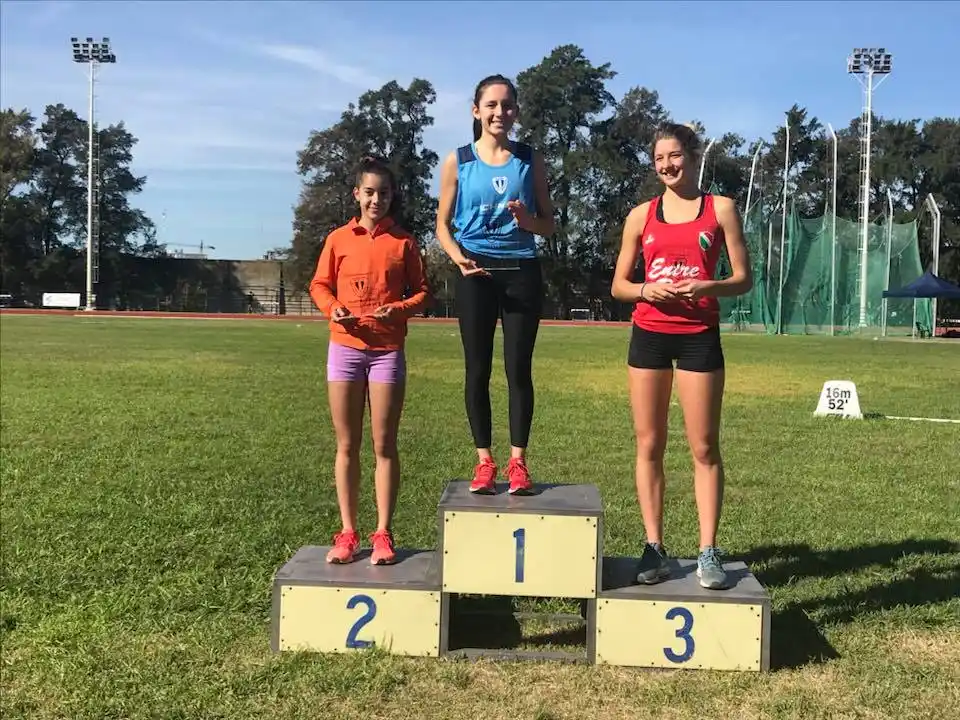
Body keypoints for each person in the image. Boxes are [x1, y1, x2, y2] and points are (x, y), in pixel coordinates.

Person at [610, 122, 753, 590]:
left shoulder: (722, 210)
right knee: (648, 444)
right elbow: (619, 286)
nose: (667, 166)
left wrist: (705, 285)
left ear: (692, 157)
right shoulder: (640, 216)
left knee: (704, 446)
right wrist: (646, 288)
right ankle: (654, 546)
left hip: (698, 336)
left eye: (674, 156)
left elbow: (743, 279)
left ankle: (708, 551)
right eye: (658, 160)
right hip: (649, 336)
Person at [435, 74, 556, 496]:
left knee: (518, 370)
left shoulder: (530, 159)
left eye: (507, 105)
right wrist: (458, 259)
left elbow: (550, 224)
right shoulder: (459, 161)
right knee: (477, 370)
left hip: (521, 269)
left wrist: (528, 222)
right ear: (476, 110)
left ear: (516, 112)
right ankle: (484, 461)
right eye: (491, 105)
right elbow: (442, 224)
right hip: (475, 274)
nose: (499, 113)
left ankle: (518, 462)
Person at [309, 156, 432, 565]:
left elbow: (422, 292)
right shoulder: (338, 239)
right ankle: (347, 532)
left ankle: (383, 533)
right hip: (344, 348)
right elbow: (319, 284)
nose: (376, 199)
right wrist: (333, 309)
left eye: (384, 192)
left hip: (386, 352)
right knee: (347, 444)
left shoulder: (403, 242)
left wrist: (398, 309)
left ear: (392, 196)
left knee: (384, 444)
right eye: (369, 192)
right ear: (356, 194)